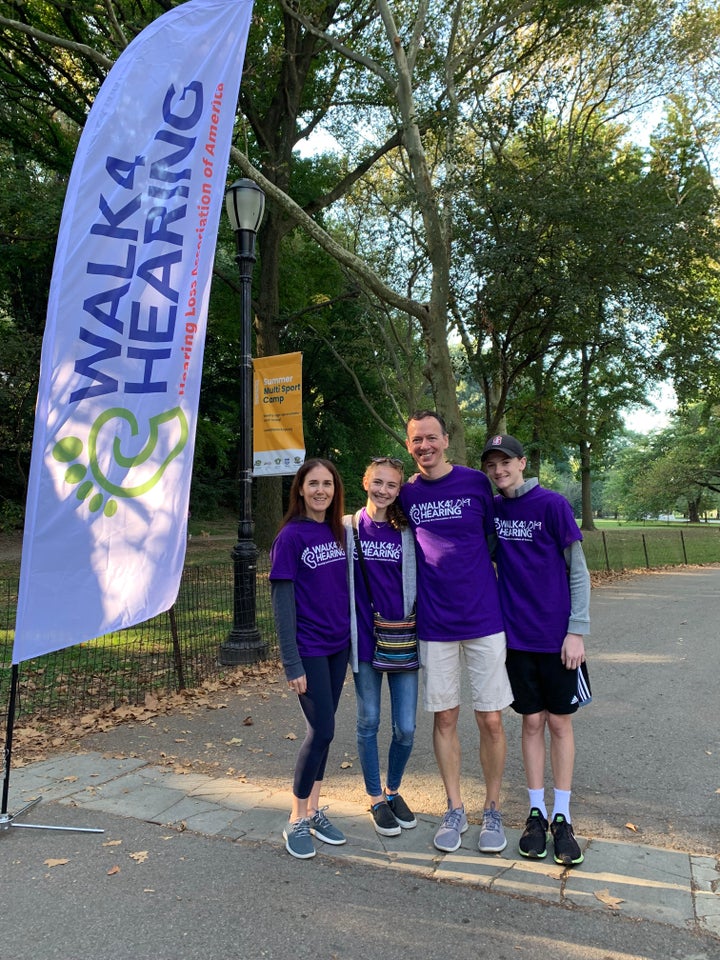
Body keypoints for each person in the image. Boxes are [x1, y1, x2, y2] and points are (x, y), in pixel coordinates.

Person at [399, 410, 513, 855]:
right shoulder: (407, 493)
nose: (424, 445)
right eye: (415, 440)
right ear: (409, 446)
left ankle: (493, 809)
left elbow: (494, 539)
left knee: (491, 717)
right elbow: (379, 519)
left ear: (446, 440)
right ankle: (454, 808)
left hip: (484, 618)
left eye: (431, 437)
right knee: (444, 716)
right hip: (435, 622)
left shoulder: (474, 483)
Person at [481, 434, 590, 866]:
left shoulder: (553, 505)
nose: (499, 470)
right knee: (530, 723)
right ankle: (536, 815)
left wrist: (577, 631)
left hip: (559, 639)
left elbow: (577, 572)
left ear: (522, 463)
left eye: (506, 462)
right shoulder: (494, 509)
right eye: (492, 464)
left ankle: (562, 816)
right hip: (516, 639)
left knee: (559, 725)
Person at [269, 458, 350, 860]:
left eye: (328, 484)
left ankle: (315, 809)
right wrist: (292, 663)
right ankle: (296, 817)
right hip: (310, 648)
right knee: (321, 731)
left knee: (328, 730)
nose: (321, 490)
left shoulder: (336, 532)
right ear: (300, 488)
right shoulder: (290, 537)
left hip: (339, 647)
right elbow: (282, 604)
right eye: (313, 483)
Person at [343, 456, 418, 837]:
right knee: (368, 721)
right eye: (378, 482)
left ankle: (393, 790)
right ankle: (375, 796)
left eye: (392, 485)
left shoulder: (407, 531)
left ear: (399, 490)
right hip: (364, 643)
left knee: (405, 727)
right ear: (365, 481)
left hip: (403, 638)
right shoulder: (346, 528)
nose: (384, 490)